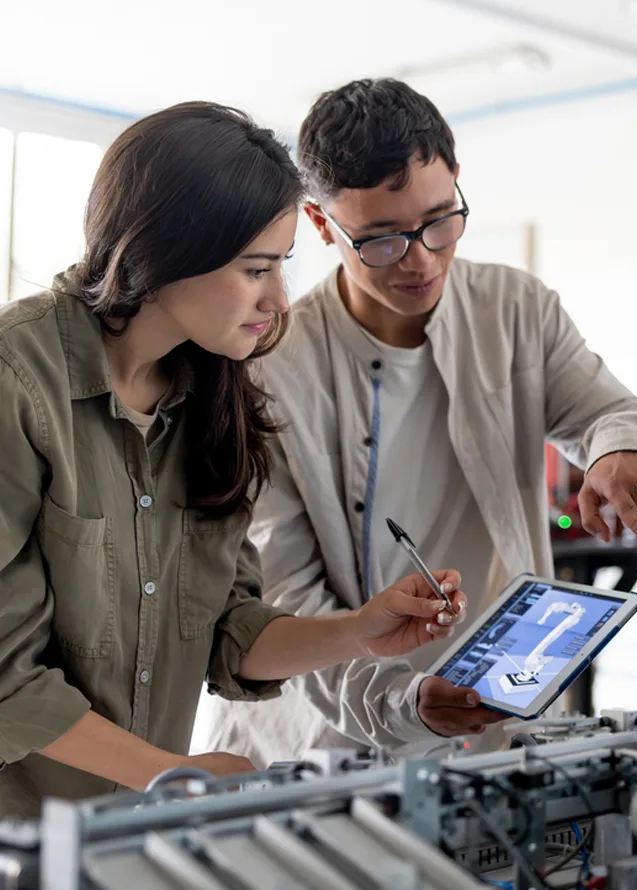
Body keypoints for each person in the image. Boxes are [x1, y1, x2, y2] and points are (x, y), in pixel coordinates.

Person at [0, 100, 473, 819]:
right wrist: (172, 776)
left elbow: (228, 630)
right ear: (166, 253)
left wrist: (358, 631)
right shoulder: (18, 383)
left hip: (126, 832)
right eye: (255, 270)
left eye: (281, 266)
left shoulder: (212, 392)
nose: (278, 300)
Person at [204, 79, 637, 767]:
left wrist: (617, 450)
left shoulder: (515, 308)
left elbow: (612, 412)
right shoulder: (266, 367)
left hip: (502, 724)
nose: (421, 259)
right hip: (322, 744)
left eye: (440, 220)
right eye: (381, 239)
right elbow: (284, 602)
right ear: (323, 226)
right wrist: (400, 704)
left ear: (457, 184)